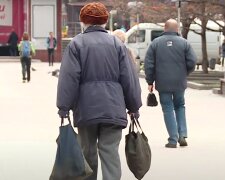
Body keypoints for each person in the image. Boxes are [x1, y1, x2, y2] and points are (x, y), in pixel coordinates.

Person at [57, 2, 142, 180]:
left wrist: (63, 107)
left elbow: (68, 78)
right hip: (113, 107)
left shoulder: (76, 44)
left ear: (83, 21)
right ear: (105, 21)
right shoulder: (117, 44)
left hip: (86, 109)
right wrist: (134, 106)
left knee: (87, 152)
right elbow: (129, 78)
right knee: (110, 152)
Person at [144, 19, 196, 148]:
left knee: (167, 108)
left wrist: (150, 81)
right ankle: (182, 134)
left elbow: (149, 64)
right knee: (180, 106)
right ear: (177, 29)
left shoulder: (155, 43)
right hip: (179, 81)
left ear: (164, 28)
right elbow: (192, 62)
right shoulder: (185, 43)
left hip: (163, 82)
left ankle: (173, 139)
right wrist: (184, 73)